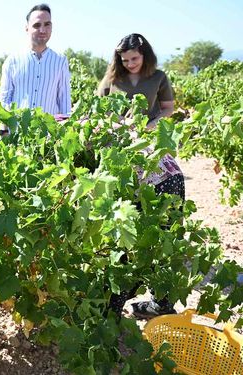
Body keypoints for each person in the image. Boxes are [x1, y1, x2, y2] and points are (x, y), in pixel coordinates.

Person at [97, 33, 183, 319]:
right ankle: (116, 295)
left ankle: (160, 297)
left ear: (144, 55)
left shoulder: (158, 77)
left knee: (167, 200)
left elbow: (169, 109)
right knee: (126, 215)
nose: (130, 64)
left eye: (134, 58)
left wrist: (150, 126)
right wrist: (116, 126)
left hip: (148, 144)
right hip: (119, 146)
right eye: (125, 60)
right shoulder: (112, 79)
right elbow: (97, 112)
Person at [0, 3, 71, 119]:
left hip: (49, 135)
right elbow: (4, 100)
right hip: (18, 134)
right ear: (27, 28)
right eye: (37, 25)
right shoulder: (12, 61)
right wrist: (4, 131)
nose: (42, 30)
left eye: (47, 24)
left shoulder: (60, 61)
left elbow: (64, 101)